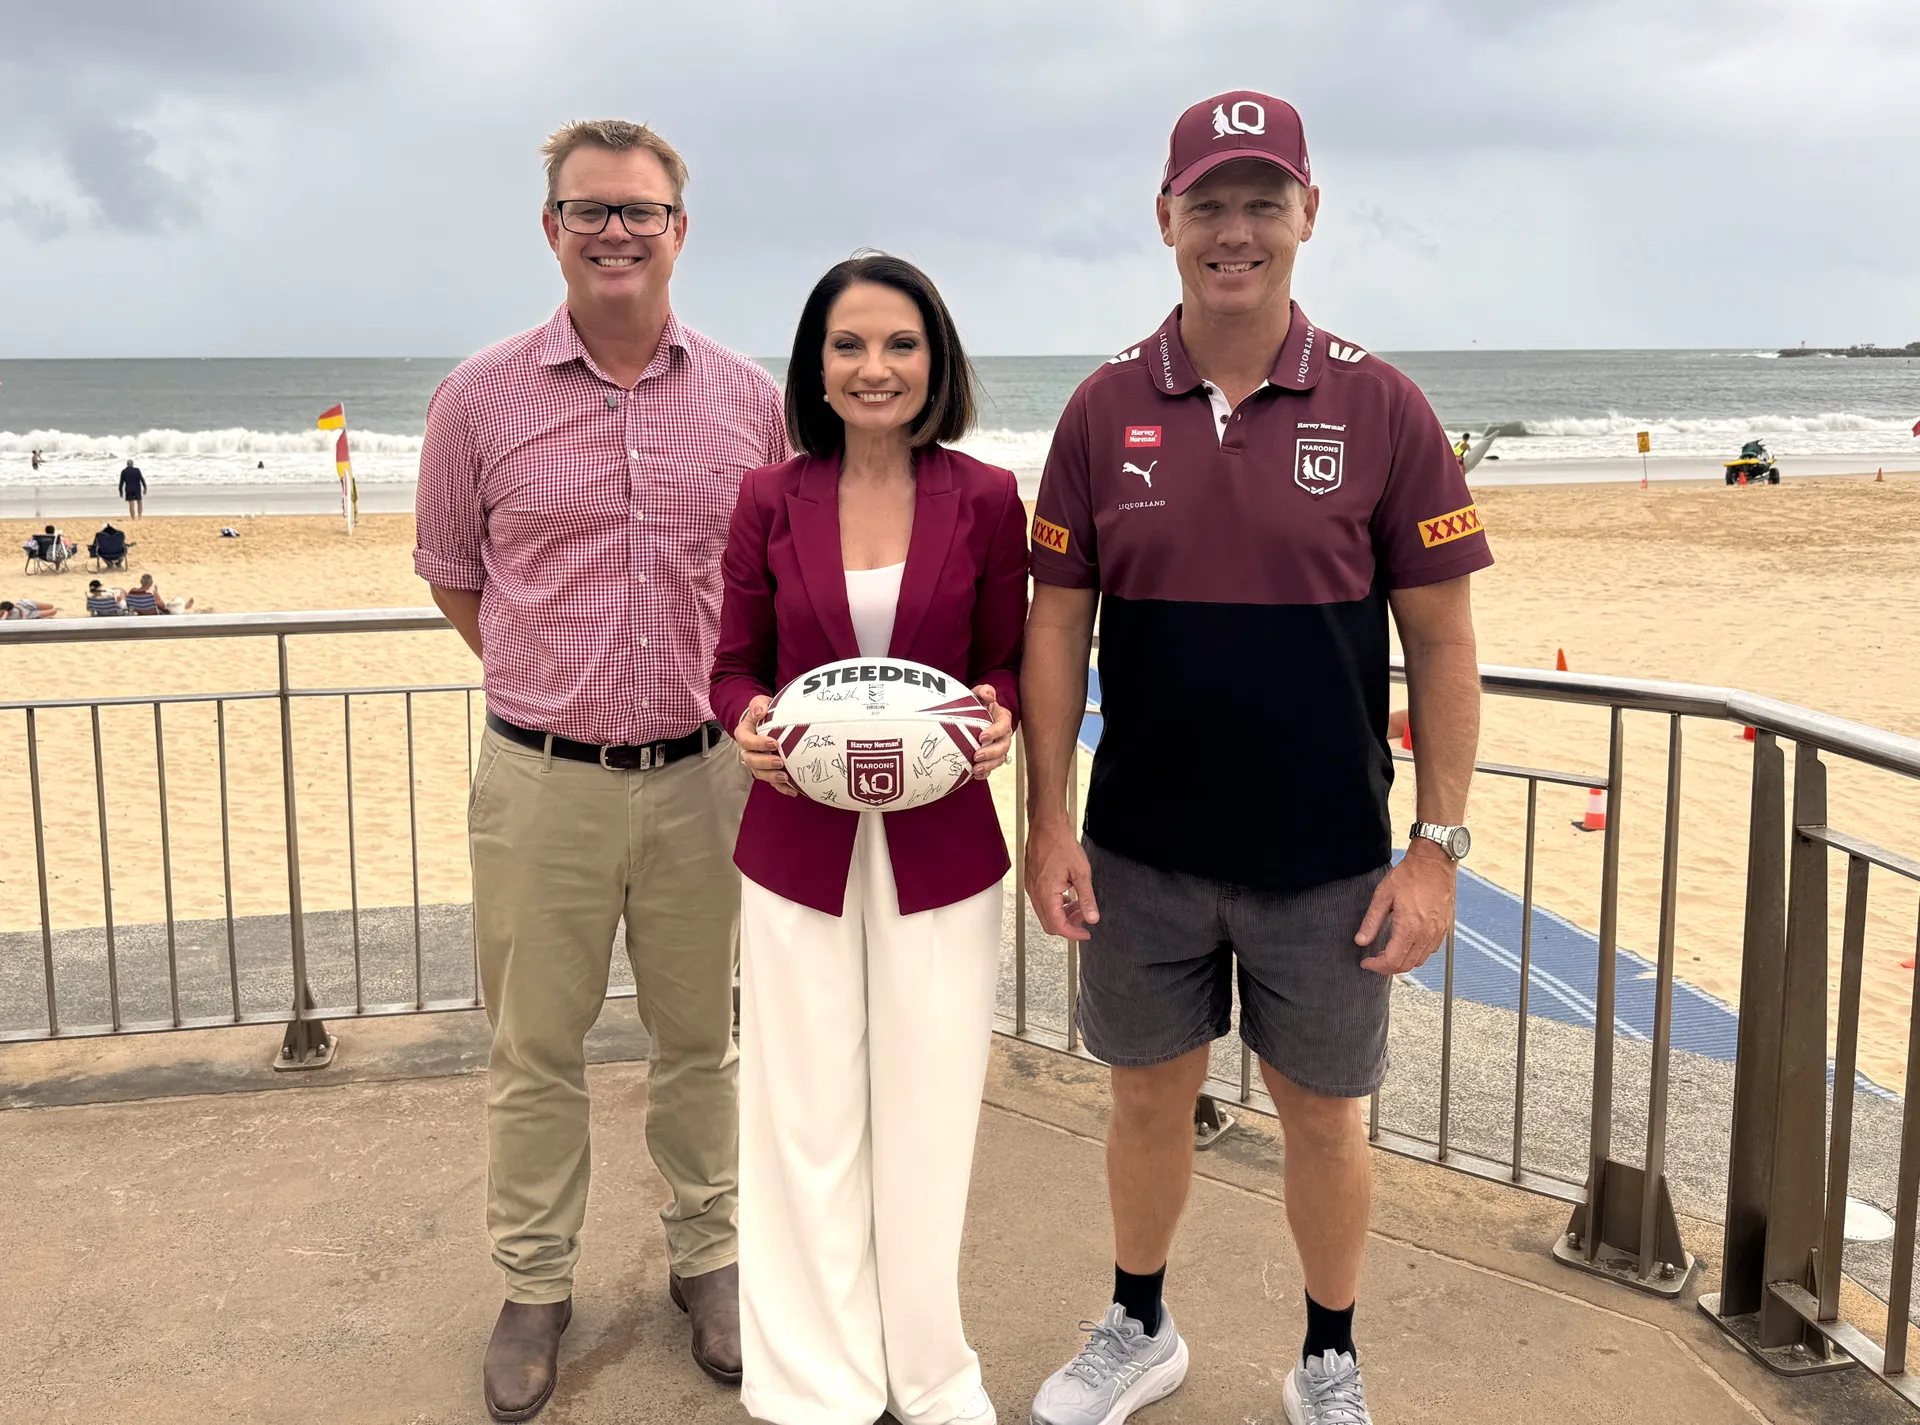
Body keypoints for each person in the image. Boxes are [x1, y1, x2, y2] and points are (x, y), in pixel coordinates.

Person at [1022, 91, 1490, 1425]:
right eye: (1209, 204)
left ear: (1308, 215)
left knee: (1327, 1123)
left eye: (1262, 202)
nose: (1236, 232)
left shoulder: (1384, 403)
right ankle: (1137, 1325)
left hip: (1330, 861)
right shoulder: (1105, 407)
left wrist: (1437, 848)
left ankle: (1327, 1357)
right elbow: (1057, 628)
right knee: (1145, 1105)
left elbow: (1445, 644)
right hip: (1144, 854)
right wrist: (1049, 822)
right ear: (1165, 219)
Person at [413, 118, 788, 1422]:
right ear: (551, 228)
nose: (614, 230)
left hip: (705, 780)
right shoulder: (478, 398)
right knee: (534, 1049)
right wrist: (556, 690)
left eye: (638, 210)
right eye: (589, 210)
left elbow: (773, 578)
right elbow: (457, 575)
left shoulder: (751, 401)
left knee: (705, 1042)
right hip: (541, 784)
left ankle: (711, 1260)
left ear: (681, 228)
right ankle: (533, 1285)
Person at [710, 254, 1026, 1425]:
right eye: (849, 345)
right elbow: (735, 662)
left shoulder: (989, 498)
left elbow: (1006, 658)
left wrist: (996, 719)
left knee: (929, 1110)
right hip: (798, 841)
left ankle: (928, 1374)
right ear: (817, 368)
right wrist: (743, 719)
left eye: (899, 344)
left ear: (935, 361)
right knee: (801, 1113)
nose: (875, 367)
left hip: (941, 846)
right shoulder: (768, 498)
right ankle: (815, 1381)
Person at [124, 572, 191, 614]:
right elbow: (163, 606)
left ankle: (184, 606)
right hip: (152, 615)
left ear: (141, 582)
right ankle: (184, 606)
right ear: (151, 583)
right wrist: (156, 593)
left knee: (169, 603)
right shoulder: (151, 594)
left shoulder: (132, 592)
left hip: (138, 613)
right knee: (175, 602)